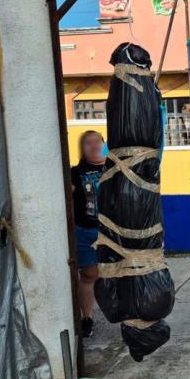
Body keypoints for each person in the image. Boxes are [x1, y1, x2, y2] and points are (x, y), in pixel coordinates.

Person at [71, 130, 107, 338]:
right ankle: (87, 317)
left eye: (97, 141)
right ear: (81, 149)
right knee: (89, 274)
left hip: (113, 231)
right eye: (87, 143)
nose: (93, 146)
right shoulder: (75, 172)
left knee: (119, 274)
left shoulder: (115, 169)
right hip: (86, 231)